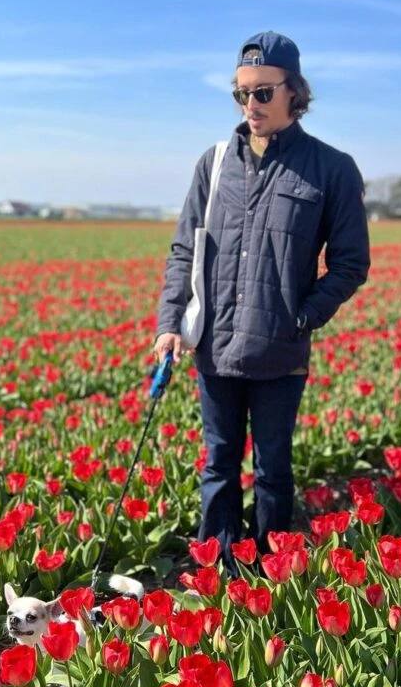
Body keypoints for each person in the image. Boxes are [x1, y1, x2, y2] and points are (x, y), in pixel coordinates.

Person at [153, 30, 370, 574]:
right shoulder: (215, 162)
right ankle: (216, 570)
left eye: (263, 92)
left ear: (295, 93)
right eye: (241, 92)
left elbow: (350, 262)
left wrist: (305, 314)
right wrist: (170, 323)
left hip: (280, 348)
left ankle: (272, 572)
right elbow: (186, 249)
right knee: (218, 463)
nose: (251, 104)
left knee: (273, 468)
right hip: (215, 345)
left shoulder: (331, 168)